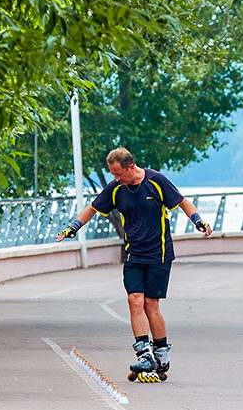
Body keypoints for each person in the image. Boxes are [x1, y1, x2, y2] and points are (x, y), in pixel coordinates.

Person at [56, 147, 213, 375]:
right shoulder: (116, 188)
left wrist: (198, 221)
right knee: (134, 299)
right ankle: (144, 354)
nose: (115, 178)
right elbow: (92, 208)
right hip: (133, 254)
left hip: (159, 253)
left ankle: (161, 352)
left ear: (131, 167)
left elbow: (182, 202)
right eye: (112, 174)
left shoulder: (156, 181)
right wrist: (74, 227)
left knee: (151, 304)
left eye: (118, 173)